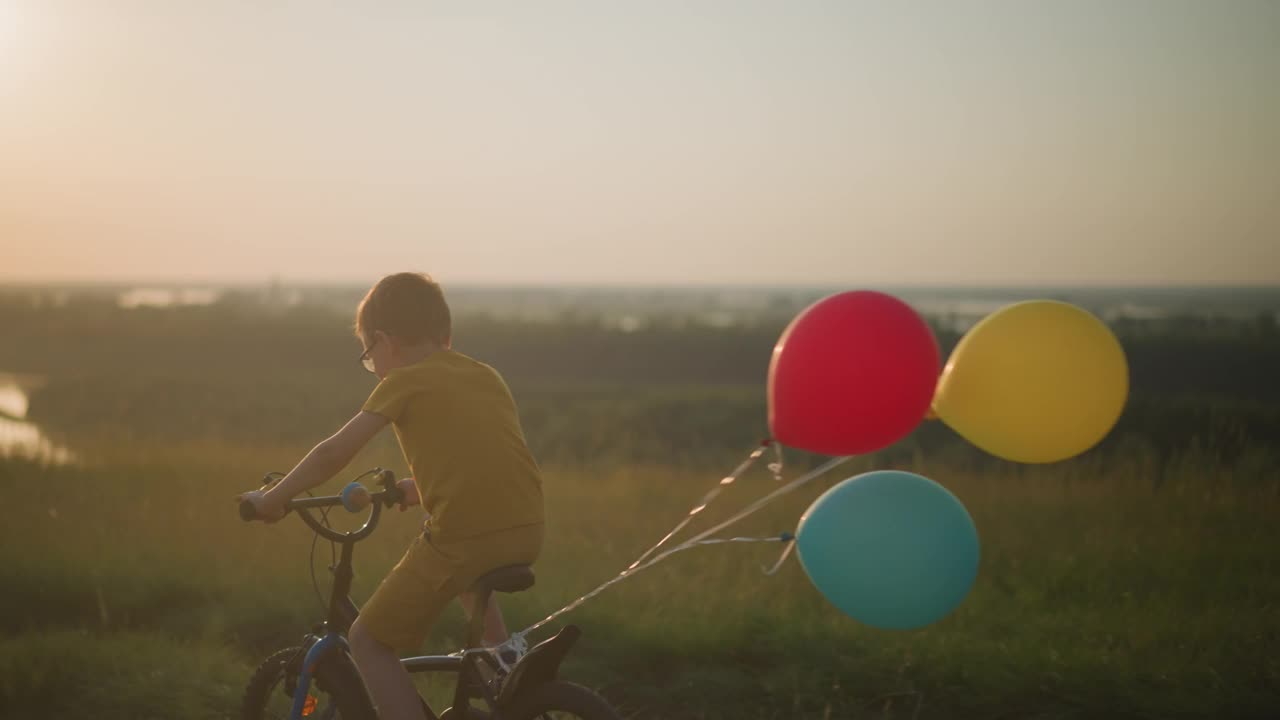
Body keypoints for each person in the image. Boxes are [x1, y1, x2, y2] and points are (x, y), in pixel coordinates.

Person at [238, 272, 545, 720]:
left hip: (465, 538)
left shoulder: (403, 381)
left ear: (384, 341)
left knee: (368, 641)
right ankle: (507, 670)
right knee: (466, 579)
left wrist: (274, 498)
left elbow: (333, 453)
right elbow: (483, 461)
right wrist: (418, 490)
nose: (375, 368)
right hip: (527, 529)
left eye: (369, 356)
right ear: (446, 333)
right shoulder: (484, 375)